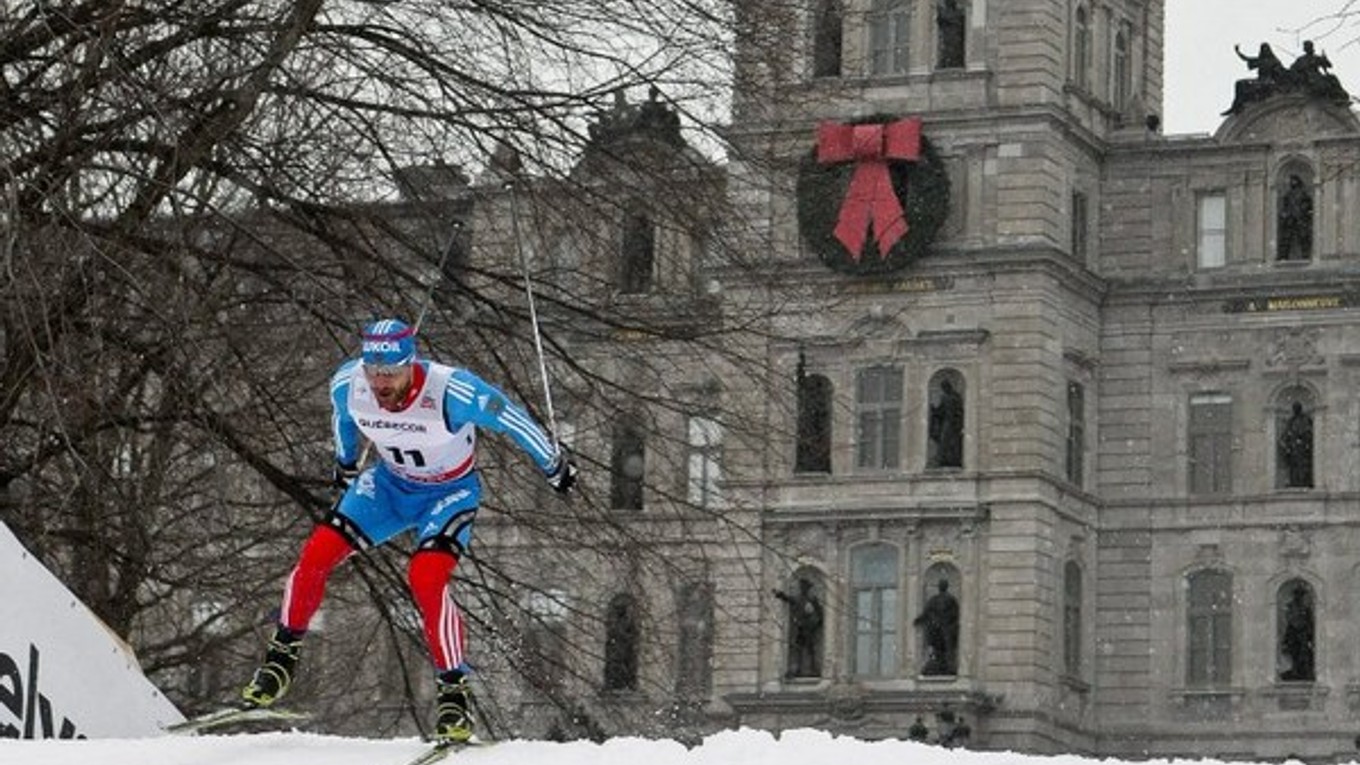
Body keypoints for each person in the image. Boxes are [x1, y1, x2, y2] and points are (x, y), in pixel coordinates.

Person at [239, 318, 577, 744]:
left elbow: (509, 418)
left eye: (391, 372)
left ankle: (453, 692)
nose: (380, 382)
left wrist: (553, 464)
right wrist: (345, 465)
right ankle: (280, 658)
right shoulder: (349, 382)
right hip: (388, 487)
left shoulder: (452, 390)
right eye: (373, 371)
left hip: (449, 494)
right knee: (316, 555)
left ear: (411, 364)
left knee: (426, 577)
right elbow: (343, 419)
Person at [773, 578, 824, 678]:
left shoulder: (813, 600)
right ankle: (796, 669)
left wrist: (814, 623)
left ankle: (812, 669)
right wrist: (779, 594)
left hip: (808, 629)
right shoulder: (798, 598)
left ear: (808, 588)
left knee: (810, 649)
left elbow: (820, 615)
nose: (803, 589)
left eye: (805, 587)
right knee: (797, 648)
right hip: (800, 628)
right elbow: (787, 598)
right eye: (802, 587)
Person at [914, 579, 960, 675]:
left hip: (943, 630)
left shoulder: (946, 600)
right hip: (941, 630)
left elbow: (955, 614)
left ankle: (946, 666)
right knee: (941, 649)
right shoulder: (944, 599)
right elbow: (927, 612)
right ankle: (943, 666)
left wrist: (920, 620)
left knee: (944, 649)